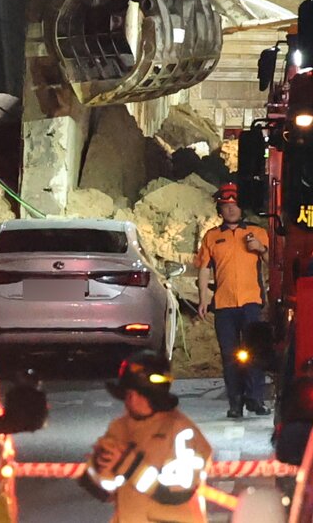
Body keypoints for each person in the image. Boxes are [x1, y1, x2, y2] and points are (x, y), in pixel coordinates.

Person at [81, 351, 212, 523]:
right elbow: (103, 491)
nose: (127, 400)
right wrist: (99, 468)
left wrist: (128, 465)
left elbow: (177, 492)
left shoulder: (181, 432)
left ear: (145, 394)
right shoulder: (119, 427)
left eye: (130, 393)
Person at [195, 183, 270, 418]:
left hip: (251, 302)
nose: (231, 210)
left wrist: (260, 249)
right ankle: (235, 403)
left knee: (254, 352)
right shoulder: (212, 237)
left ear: (242, 208)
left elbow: (273, 262)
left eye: (235, 205)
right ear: (220, 209)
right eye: (226, 206)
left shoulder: (258, 233)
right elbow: (204, 270)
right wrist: (203, 299)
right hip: (224, 305)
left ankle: (255, 399)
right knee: (230, 355)